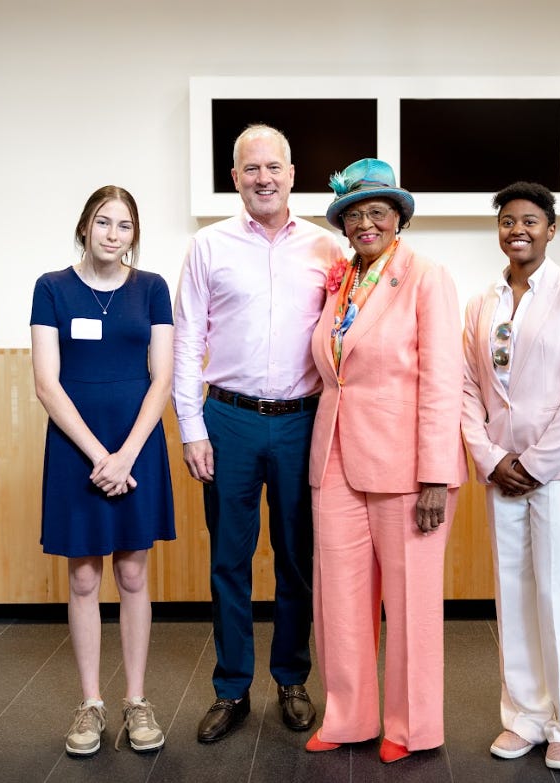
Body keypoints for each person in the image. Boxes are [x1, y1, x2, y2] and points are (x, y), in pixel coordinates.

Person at [173, 124, 344, 742]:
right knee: (229, 559)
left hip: (303, 420)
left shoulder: (330, 250)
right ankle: (231, 687)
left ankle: (293, 679)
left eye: (274, 167)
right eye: (251, 169)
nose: (263, 178)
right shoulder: (207, 246)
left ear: (293, 175)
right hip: (229, 420)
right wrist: (192, 428)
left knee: (299, 559)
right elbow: (189, 338)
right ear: (235, 178)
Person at [302, 158, 466, 763]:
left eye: (378, 211)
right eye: (355, 214)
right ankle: (347, 717)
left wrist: (435, 474)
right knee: (339, 600)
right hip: (335, 457)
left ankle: (410, 726)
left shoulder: (426, 276)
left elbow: (443, 379)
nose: (366, 222)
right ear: (344, 224)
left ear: (398, 217)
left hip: (409, 469)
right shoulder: (341, 279)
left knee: (412, 602)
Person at [461, 182, 560, 771]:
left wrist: (536, 463)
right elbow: (466, 387)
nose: (517, 229)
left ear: (550, 228)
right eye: (508, 221)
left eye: (530, 220)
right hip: (502, 469)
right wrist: (492, 458)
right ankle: (525, 715)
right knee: (514, 592)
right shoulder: (482, 302)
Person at [31, 185, 175, 756]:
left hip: (137, 446)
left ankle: (136, 701)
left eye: (124, 225)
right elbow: (47, 383)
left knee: (134, 574)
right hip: (77, 449)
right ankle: (90, 703)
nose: (113, 234)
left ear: (134, 234)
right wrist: (99, 457)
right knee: (85, 577)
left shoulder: (153, 289)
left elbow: (160, 377)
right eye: (102, 222)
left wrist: (127, 455)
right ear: (84, 227)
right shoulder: (52, 288)